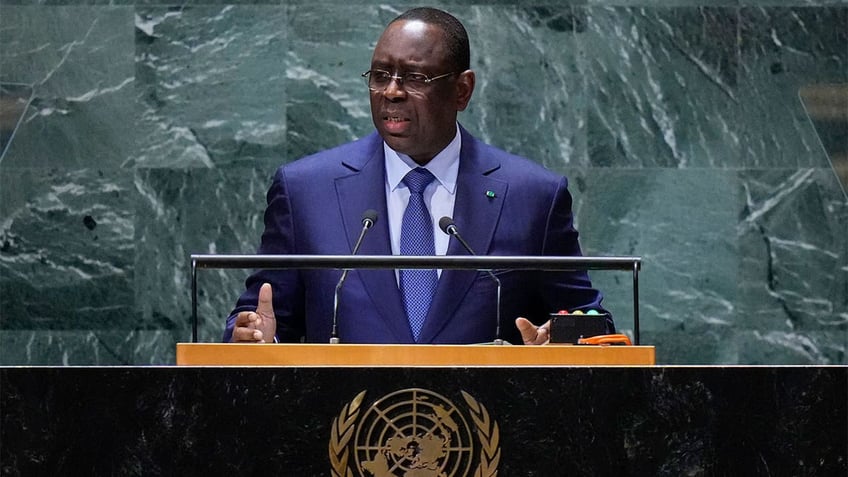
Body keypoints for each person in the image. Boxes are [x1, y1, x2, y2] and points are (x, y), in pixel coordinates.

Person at [225, 7, 612, 345]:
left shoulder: (534, 196)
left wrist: (557, 342)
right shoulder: (305, 191)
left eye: (414, 78)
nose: (391, 92)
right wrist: (256, 335)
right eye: (380, 75)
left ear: (462, 90)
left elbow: (590, 324)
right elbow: (259, 318)